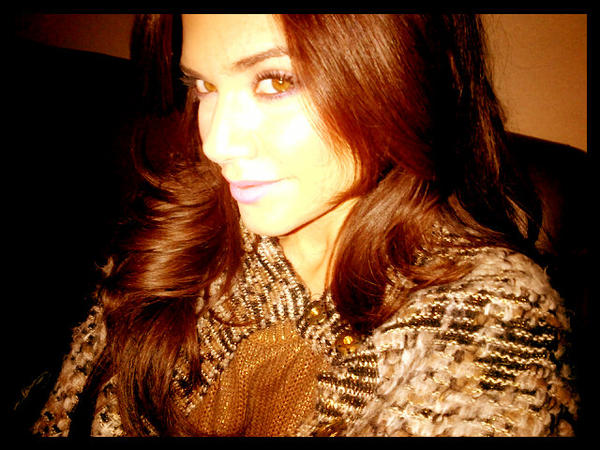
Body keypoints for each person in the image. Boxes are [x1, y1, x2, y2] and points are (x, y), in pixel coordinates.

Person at [32, 13, 578, 437]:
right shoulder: (177, 225)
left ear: (399, 75)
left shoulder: (494, 317)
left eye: (275, 81)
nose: (216, 144)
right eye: (203, 87)